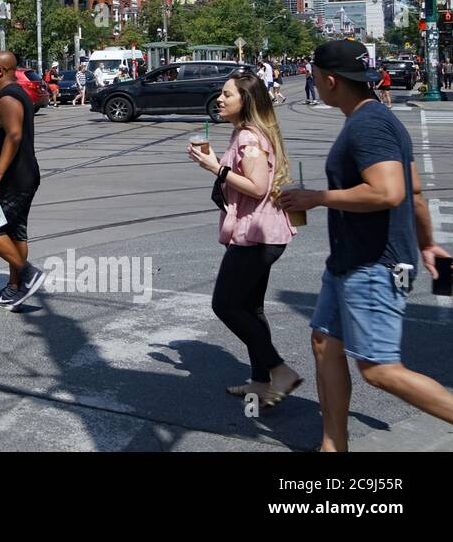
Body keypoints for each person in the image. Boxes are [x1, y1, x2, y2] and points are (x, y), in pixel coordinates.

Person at [277, 40, 453, 452]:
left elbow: (389, 192)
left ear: (331, 81)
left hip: (373, 265)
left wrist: (316, 198)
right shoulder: (378, 116)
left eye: (315, 77)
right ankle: (333, 446)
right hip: (350, 261)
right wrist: (428, 244)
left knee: (379, 369)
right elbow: (414, 191)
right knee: (324, 342)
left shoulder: (367, 125)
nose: (313, 82)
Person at [188, 73, 302, 408]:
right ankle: (262, 382)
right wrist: (214, 160)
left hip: (257, 235)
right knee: (251, 308)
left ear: (245, 101)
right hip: (263, 232)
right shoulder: (246, 132)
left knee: (225, 305)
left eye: (227, 95)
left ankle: (279, 370)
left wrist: (215, 168)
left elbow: (257, 186)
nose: (219, 99)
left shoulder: (250, 138)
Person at [0, 51, 45, 310]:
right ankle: (14, 289)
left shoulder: (8, 97)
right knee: (15, 233)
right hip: (22, 175)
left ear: (1, 71)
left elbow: (14, 136)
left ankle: (27, 273)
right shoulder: (16, 94)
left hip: (13, 179)